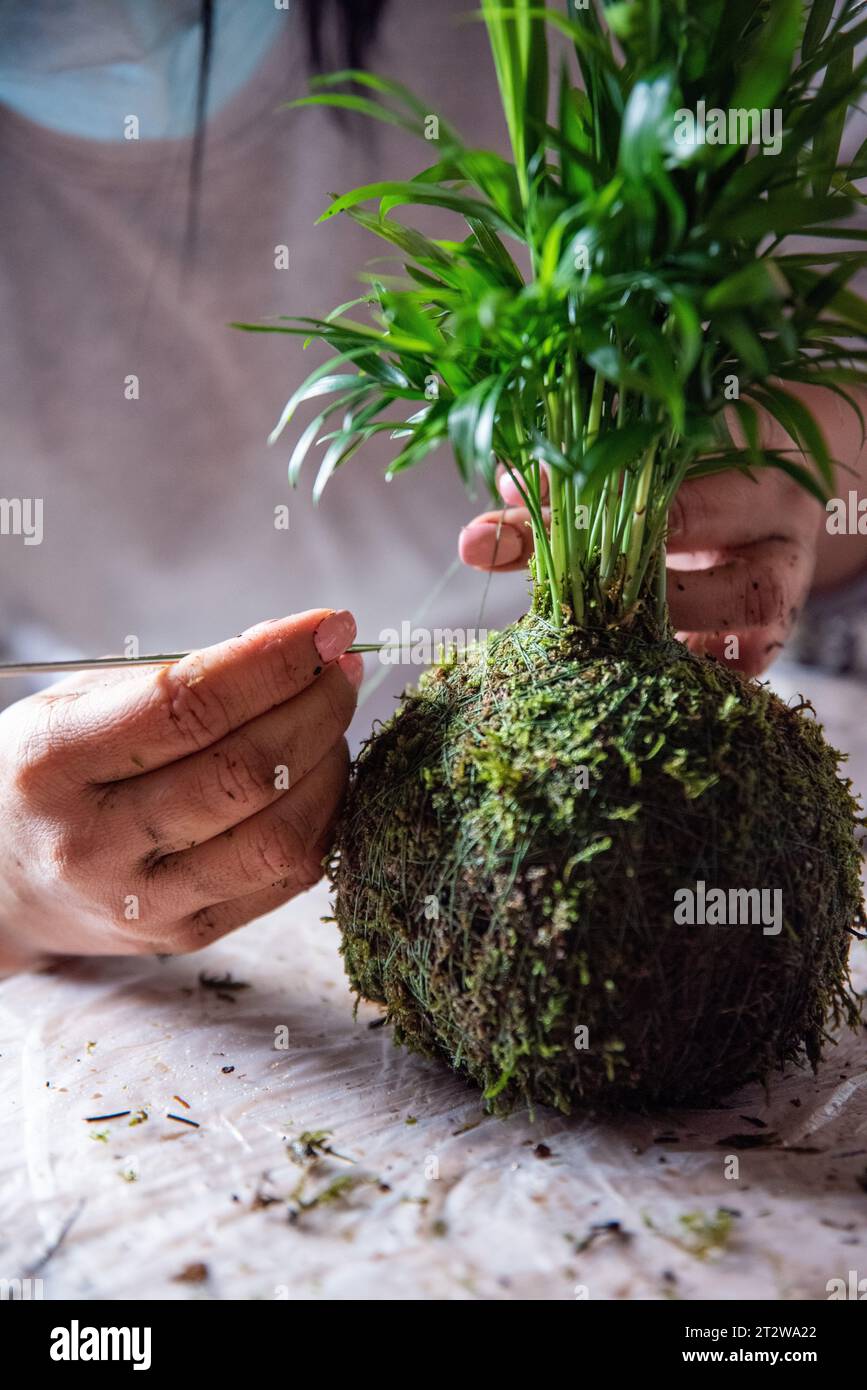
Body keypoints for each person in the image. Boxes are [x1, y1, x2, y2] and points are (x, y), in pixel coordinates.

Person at [0, 0, 865, 974]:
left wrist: (821, 461)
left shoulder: (629, 37)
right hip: (123, 948)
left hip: (706, 690)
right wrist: (11, 883)